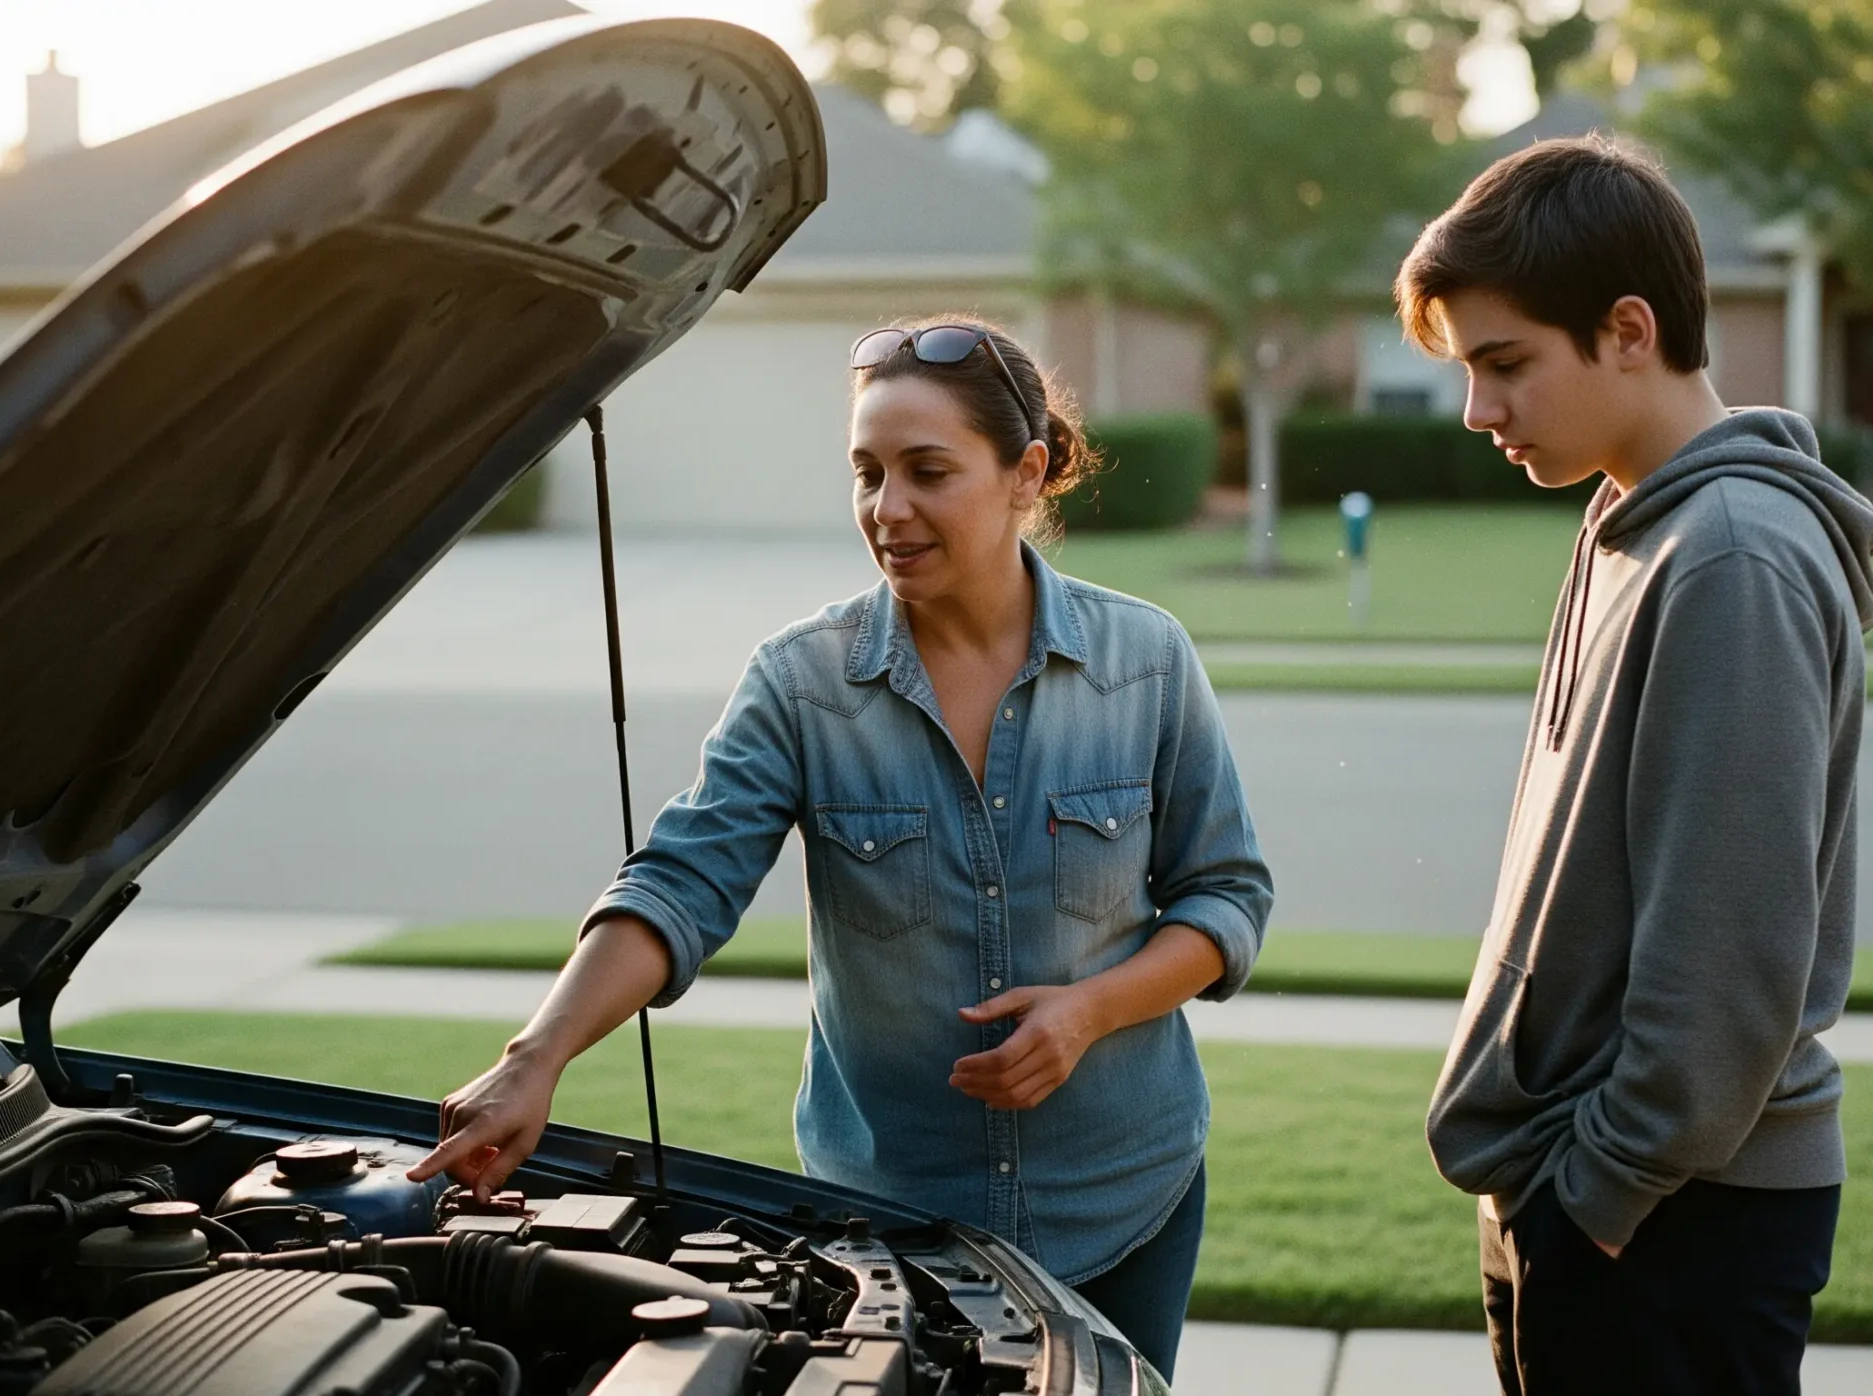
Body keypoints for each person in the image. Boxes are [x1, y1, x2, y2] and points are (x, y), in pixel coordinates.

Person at [409, 317, 1273, 1378]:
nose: (887, 509)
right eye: (866, 473)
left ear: (1024, 473)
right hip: (890, 1224)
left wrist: (1090, 1010)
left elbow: (1224, 899)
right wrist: (532, 1058)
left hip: (1123, 1199)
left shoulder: (1144, 660)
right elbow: (681, 882)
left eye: (926, 471)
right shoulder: (801, 682)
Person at [1398, 136, 1873, 1395]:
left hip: (1670, 1214)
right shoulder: (1633, 515)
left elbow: (1729, 950)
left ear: (1628, 329)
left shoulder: (1731, 552)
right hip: (1588, 1183)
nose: (1477, 411)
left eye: (1504, 363)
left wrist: (1597, 1199)